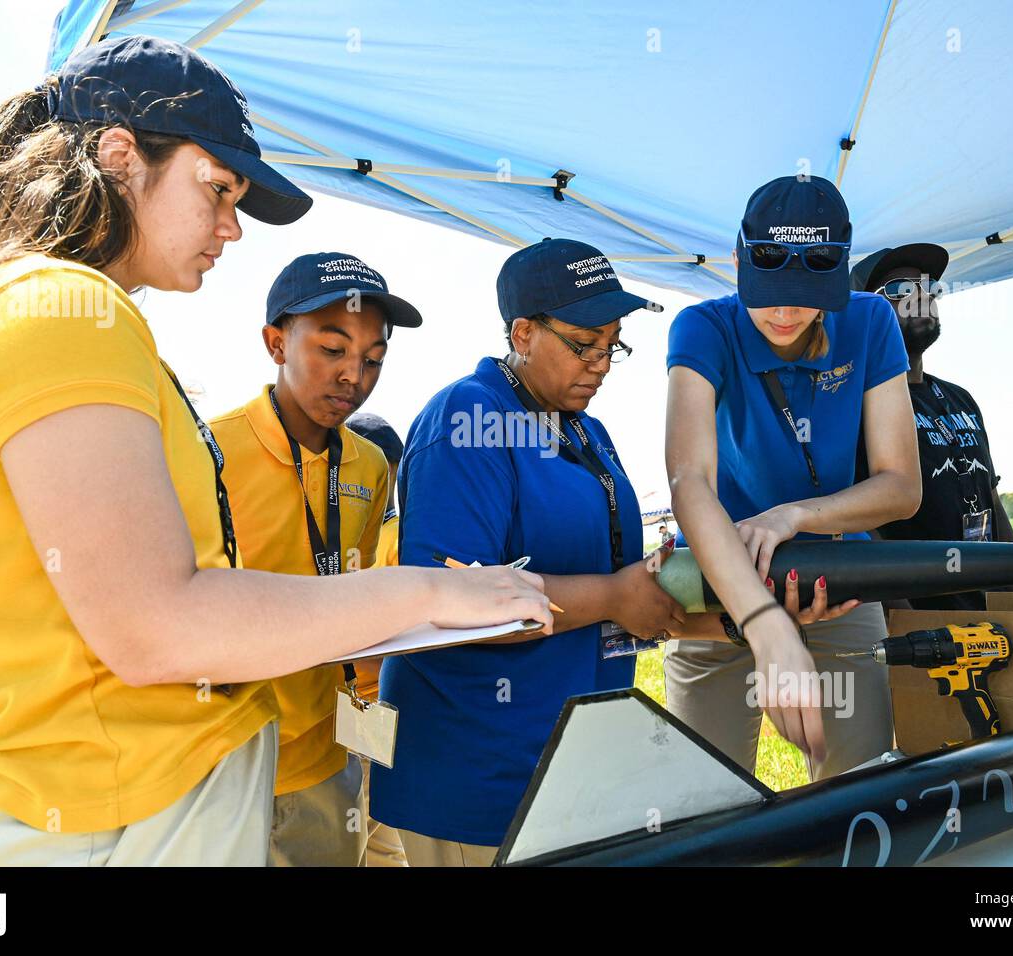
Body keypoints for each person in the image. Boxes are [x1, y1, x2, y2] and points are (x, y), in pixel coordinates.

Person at [0, 36, 550, 867]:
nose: (232, 229)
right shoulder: (60, 304)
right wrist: (429, 593)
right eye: (218, 190)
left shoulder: (39, 307)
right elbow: (157, 625)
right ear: (119, 157)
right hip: (119, 823)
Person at [370, 238, 687, 866]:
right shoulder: (468, 415)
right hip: (481, 770)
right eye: (583, 343)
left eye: (612, 345)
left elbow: (617, 582)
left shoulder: (587, 430)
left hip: (573, 760)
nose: (600, 362)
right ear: (522, 332)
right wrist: (615, 596)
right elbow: (451, 605)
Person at [663, 175, 922, 778]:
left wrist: (793, 516)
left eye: (806, 294)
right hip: (719, 580)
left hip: (840, 578)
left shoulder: (873, 321)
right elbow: (688, 481)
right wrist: (760, 620)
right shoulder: (701, 327)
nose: (784, 312)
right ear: (736, 260)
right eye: (768, 291)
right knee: (702, 797)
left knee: (855, 791)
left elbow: (901, 486)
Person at [210, 254, 421, 866]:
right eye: (332, 349)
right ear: (276, 342)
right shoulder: (212, 448)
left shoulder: (371, 464)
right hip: (226, 756)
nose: (353, 375)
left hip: (329, 754)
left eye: (374, 358)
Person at [850, 244, 1013, 612]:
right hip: (919, 627)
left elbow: (991, 502)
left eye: (928, 288)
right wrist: (904, 622)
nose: (921, 298)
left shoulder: (960, 398)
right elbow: (864, 526)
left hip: (991, 614)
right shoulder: (855, 407)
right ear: (863, 312)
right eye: (900, 291)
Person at [345, 411, 408, 867]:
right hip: (363, 705)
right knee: (379, 835)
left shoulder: (391, 535)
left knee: (366, 832)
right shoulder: (385, 532)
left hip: (366, 706)